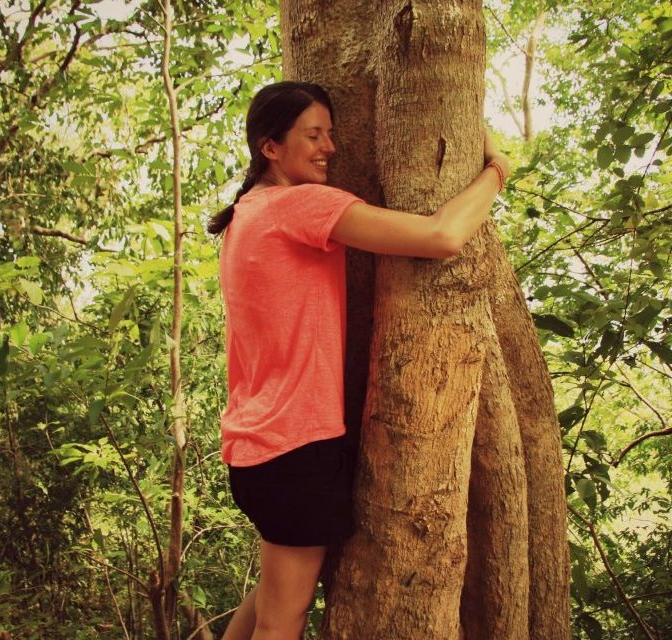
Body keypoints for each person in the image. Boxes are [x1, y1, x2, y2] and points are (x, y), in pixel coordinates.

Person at [210, 80, 510, 640]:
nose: (329, 147)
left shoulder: (245, 216)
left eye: (331, 134)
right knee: (283, 619)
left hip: (258, 448)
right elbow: (442, 236)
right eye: (313, 135)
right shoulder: (297, 205)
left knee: (271, 594)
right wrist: (496, 172)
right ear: (270, 147)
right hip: (295, 447)